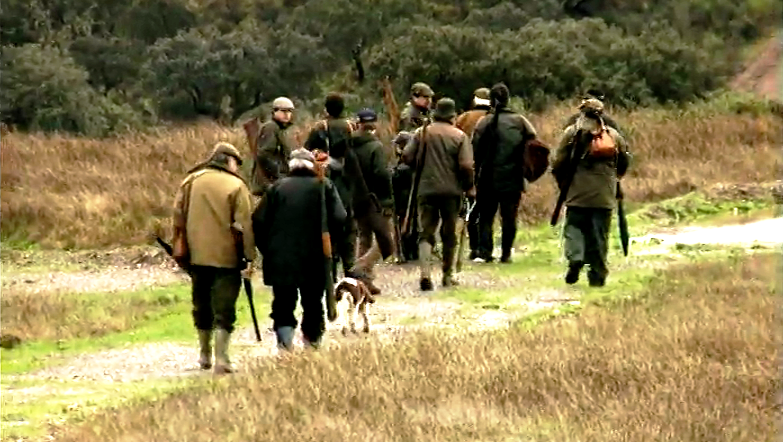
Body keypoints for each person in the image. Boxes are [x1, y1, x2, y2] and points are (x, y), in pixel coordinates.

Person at [172, 142, 256, 374]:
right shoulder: (236, 186)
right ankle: (222, 358)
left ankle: (203, 355)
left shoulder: (190, 181)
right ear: (229, 161)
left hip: (196, 255)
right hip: (227, 257)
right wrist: (249, 257)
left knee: (201, 305)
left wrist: (180, 247)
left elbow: (178, 217)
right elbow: (245, 225)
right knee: (224, 308)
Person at [252, 148, 347, 350]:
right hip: (315, 257)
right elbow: (340, 217)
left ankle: (285, 347)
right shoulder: (323, 186)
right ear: (311, 165)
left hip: (281, 258)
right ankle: (312, 345)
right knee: (313, 303)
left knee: (283, 303)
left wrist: (268, 250)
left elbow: (258, 221)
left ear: (291, 165)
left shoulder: (276, 188)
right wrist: (332, 245)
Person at [551, 98, 631, 287]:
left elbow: (557, 162)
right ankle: (597, 276)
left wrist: (564, 183)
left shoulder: (571, 134)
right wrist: (612, 180)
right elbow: (625, 163)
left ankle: (576, 258)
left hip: (577, 194)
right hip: (604, 196)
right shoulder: (613, 136)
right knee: (599, 236)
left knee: (573, 230)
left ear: (582, 113)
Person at [402, 98, 475, 290]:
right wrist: (469, 187)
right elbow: (466, 165)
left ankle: (425, 274)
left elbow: (406, 157)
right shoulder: (460, 136)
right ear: (452, 116)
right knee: (449, 234)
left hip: (425, 189)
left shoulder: (422, 133)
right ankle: (447, 276)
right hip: (452, 191)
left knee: (425, 232)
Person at [471, 83, 537, 263]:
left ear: (491, 101)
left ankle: (485, 252)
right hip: (513, 177)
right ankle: (506, 253)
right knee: (509, 217)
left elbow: (474, 148)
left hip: (487, 177)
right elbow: (534, 145)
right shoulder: (521, 121)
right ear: (508, 99)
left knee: (485, 216)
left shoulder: (483, 122)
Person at [351, 109, 394, 286]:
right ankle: (361, 266)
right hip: (375, 199)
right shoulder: (375, 146)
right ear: (375, 124)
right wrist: (388, 199)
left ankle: (363, 282)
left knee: (364, 237)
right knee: (386, 239)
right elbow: (381, 174)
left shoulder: (349, 144)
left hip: (355, 197)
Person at [455, 87, 492, 260]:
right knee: (485, 210)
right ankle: (484, 246)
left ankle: (473, 246)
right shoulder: (492, 118)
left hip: (467, 167)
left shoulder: (464, 118)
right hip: (489, 169)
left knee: (470, 209)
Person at [250, 96, 297, 196]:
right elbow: (264, 155)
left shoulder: (281, 130)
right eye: (283, 111)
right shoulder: (271, 128)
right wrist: (279, 173)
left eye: (289, 111)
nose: (287, 114)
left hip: (276, 182)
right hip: (268, 184)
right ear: (275, 111)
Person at [390, 130, 418, 262]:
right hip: (414, 200)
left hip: (403, 200)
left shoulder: (402, 168)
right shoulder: (418, 163)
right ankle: (413, 252)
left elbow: (394, 181)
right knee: (414, 225)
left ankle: (404, 252)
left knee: (404, 226)